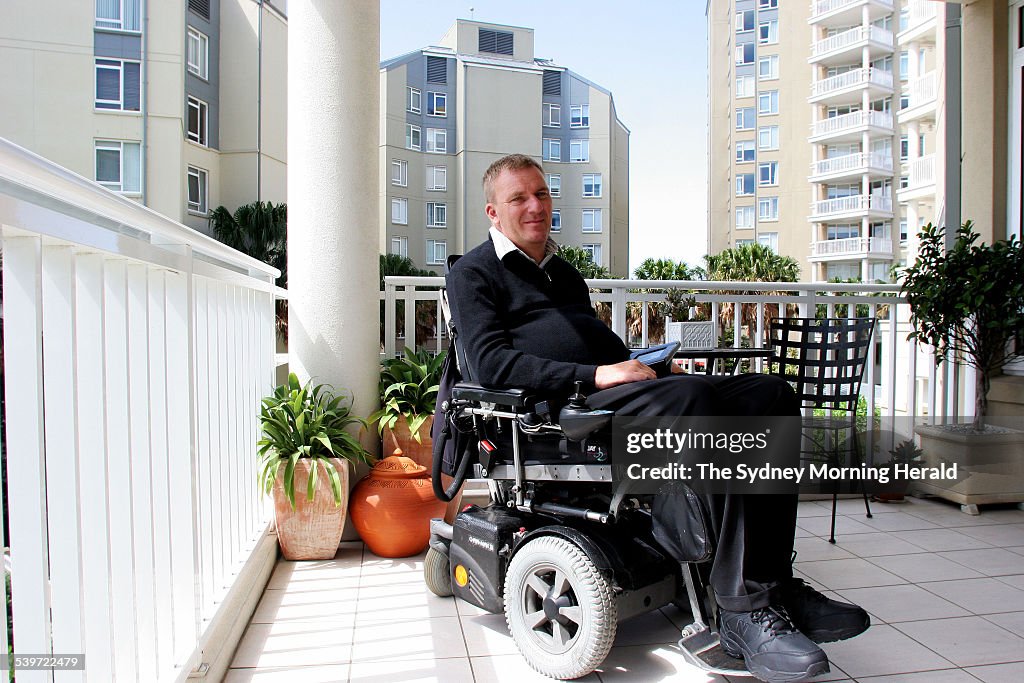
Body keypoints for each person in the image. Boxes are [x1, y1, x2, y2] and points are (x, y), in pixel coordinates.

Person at [445, 154, 870, 683]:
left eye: (542, 194)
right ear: (493, 211)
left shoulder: (562, 271)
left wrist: (649, 363)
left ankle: (773, 580)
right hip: (559, 416)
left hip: (607, 393)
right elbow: (491, 364)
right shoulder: (474, 273)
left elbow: (602, 345)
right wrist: (597, 376)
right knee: (691, 405)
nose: (536, 206)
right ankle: (741, 610)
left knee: (770, 395)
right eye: (519, 198)